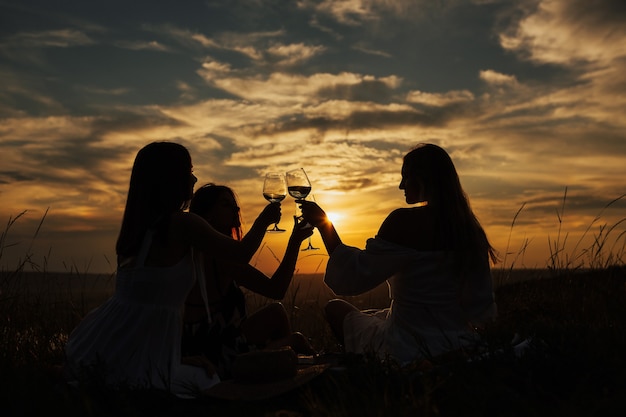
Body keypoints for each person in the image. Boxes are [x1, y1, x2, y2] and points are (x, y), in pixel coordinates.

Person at [64, 142, 264, 397]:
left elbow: (151, 311)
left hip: (107, 345)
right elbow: (241, 253)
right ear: (171, 179)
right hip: (139, 362)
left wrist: (178, 358)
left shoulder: (135, 231)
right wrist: (265, 219)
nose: (194, 178)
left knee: (201, 376)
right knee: (210, 385)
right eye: (188, 171)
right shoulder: (182, 223)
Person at [297, 143, 498, 365]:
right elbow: (481, 309)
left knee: (335, 308)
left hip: (405, 346)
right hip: (458, 342)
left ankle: (363, 367)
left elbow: (351, 278)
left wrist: (324, 225)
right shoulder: (470, 230)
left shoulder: (403, 222)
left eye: (406, 177)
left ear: (422, 179)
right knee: (375, 313)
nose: (401, 185)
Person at [182, 184, 316, 379]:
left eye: (235, 204)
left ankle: (282, 370)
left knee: (276, 312)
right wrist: (265, 222)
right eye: (226, 204)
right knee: (296, 340)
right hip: (214, 353)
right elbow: (274, 287)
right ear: (208, 215)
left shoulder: (211, 253)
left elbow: (275, 291)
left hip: (222, 340)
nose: (235, 209)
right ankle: (292, 377)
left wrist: (295, 240)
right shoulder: (216, 255)